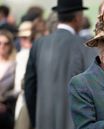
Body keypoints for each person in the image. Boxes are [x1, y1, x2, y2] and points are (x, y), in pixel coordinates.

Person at [24, 0, 96, 129]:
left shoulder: (39, 44)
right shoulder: (85, 45)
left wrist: (36, 121)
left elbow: (29, 89)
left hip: (43, 122)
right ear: (78, 17)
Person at [0, 30, 16, 129]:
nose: (2, 46)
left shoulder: (14, 64)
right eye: (0, 43)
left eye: (6, 43)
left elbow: (17, 90)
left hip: (6, 109)